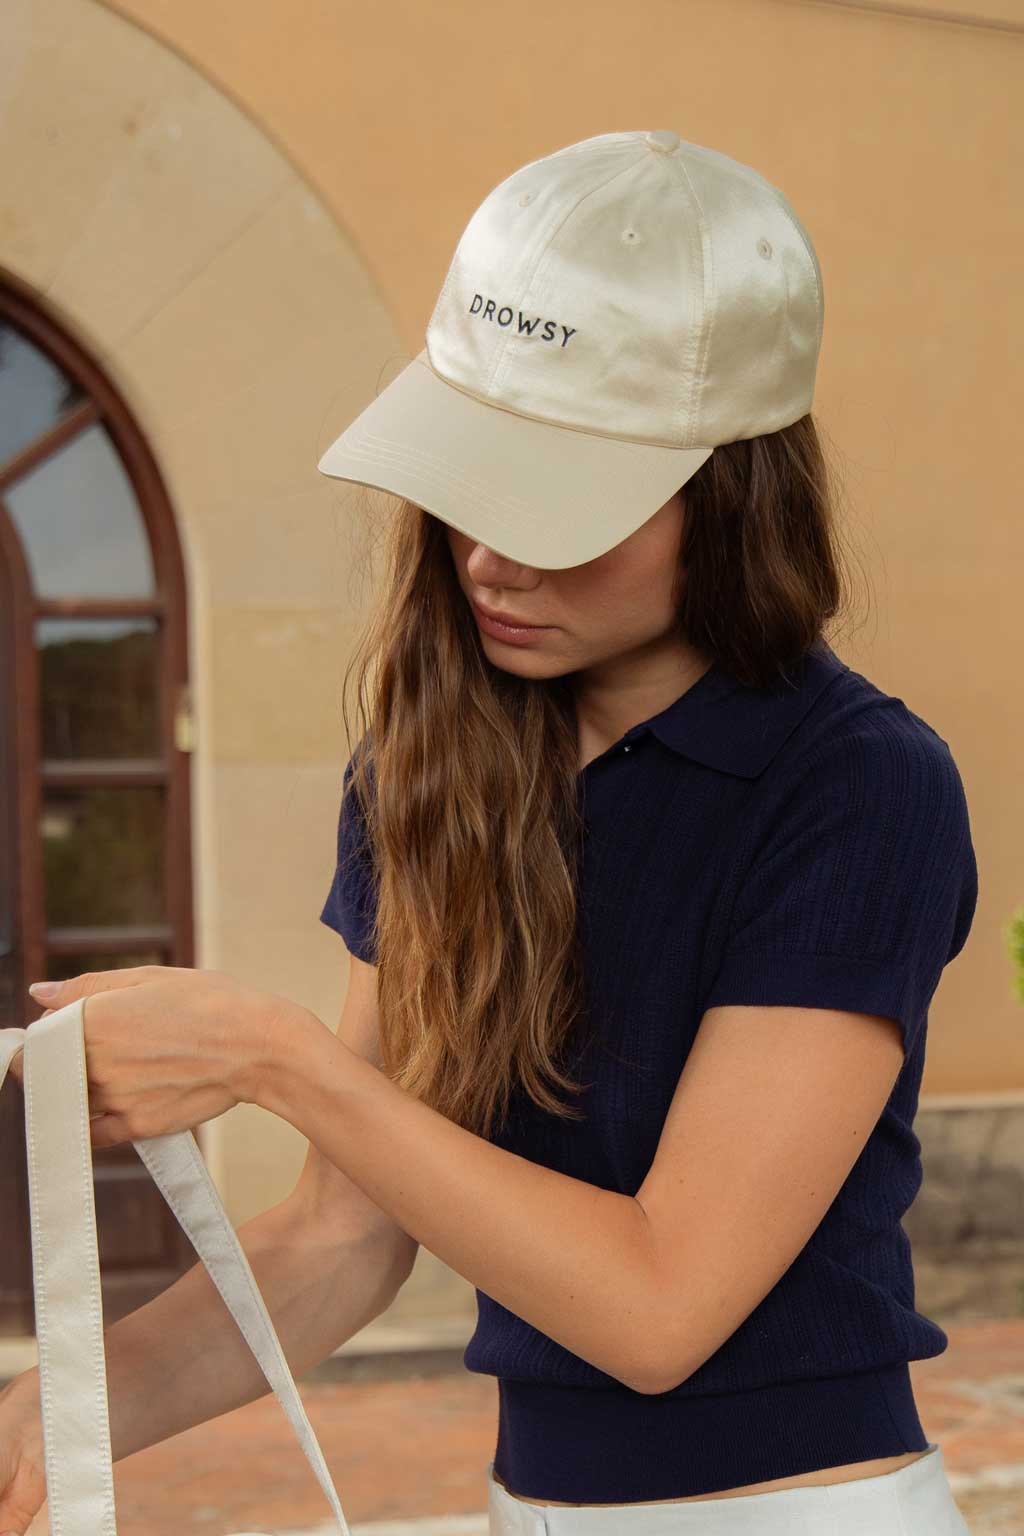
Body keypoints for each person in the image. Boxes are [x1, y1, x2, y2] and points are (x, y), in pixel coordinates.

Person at [315, 131, 977, 1532]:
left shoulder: (858, 788)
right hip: (525, 1504)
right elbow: (337, 1234)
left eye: (556, 502)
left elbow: (660, 1303)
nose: (490, 554)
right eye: (469, 483)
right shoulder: (429, 766)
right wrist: (59, 1400)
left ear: (729, 500)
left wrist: (273, 1067)